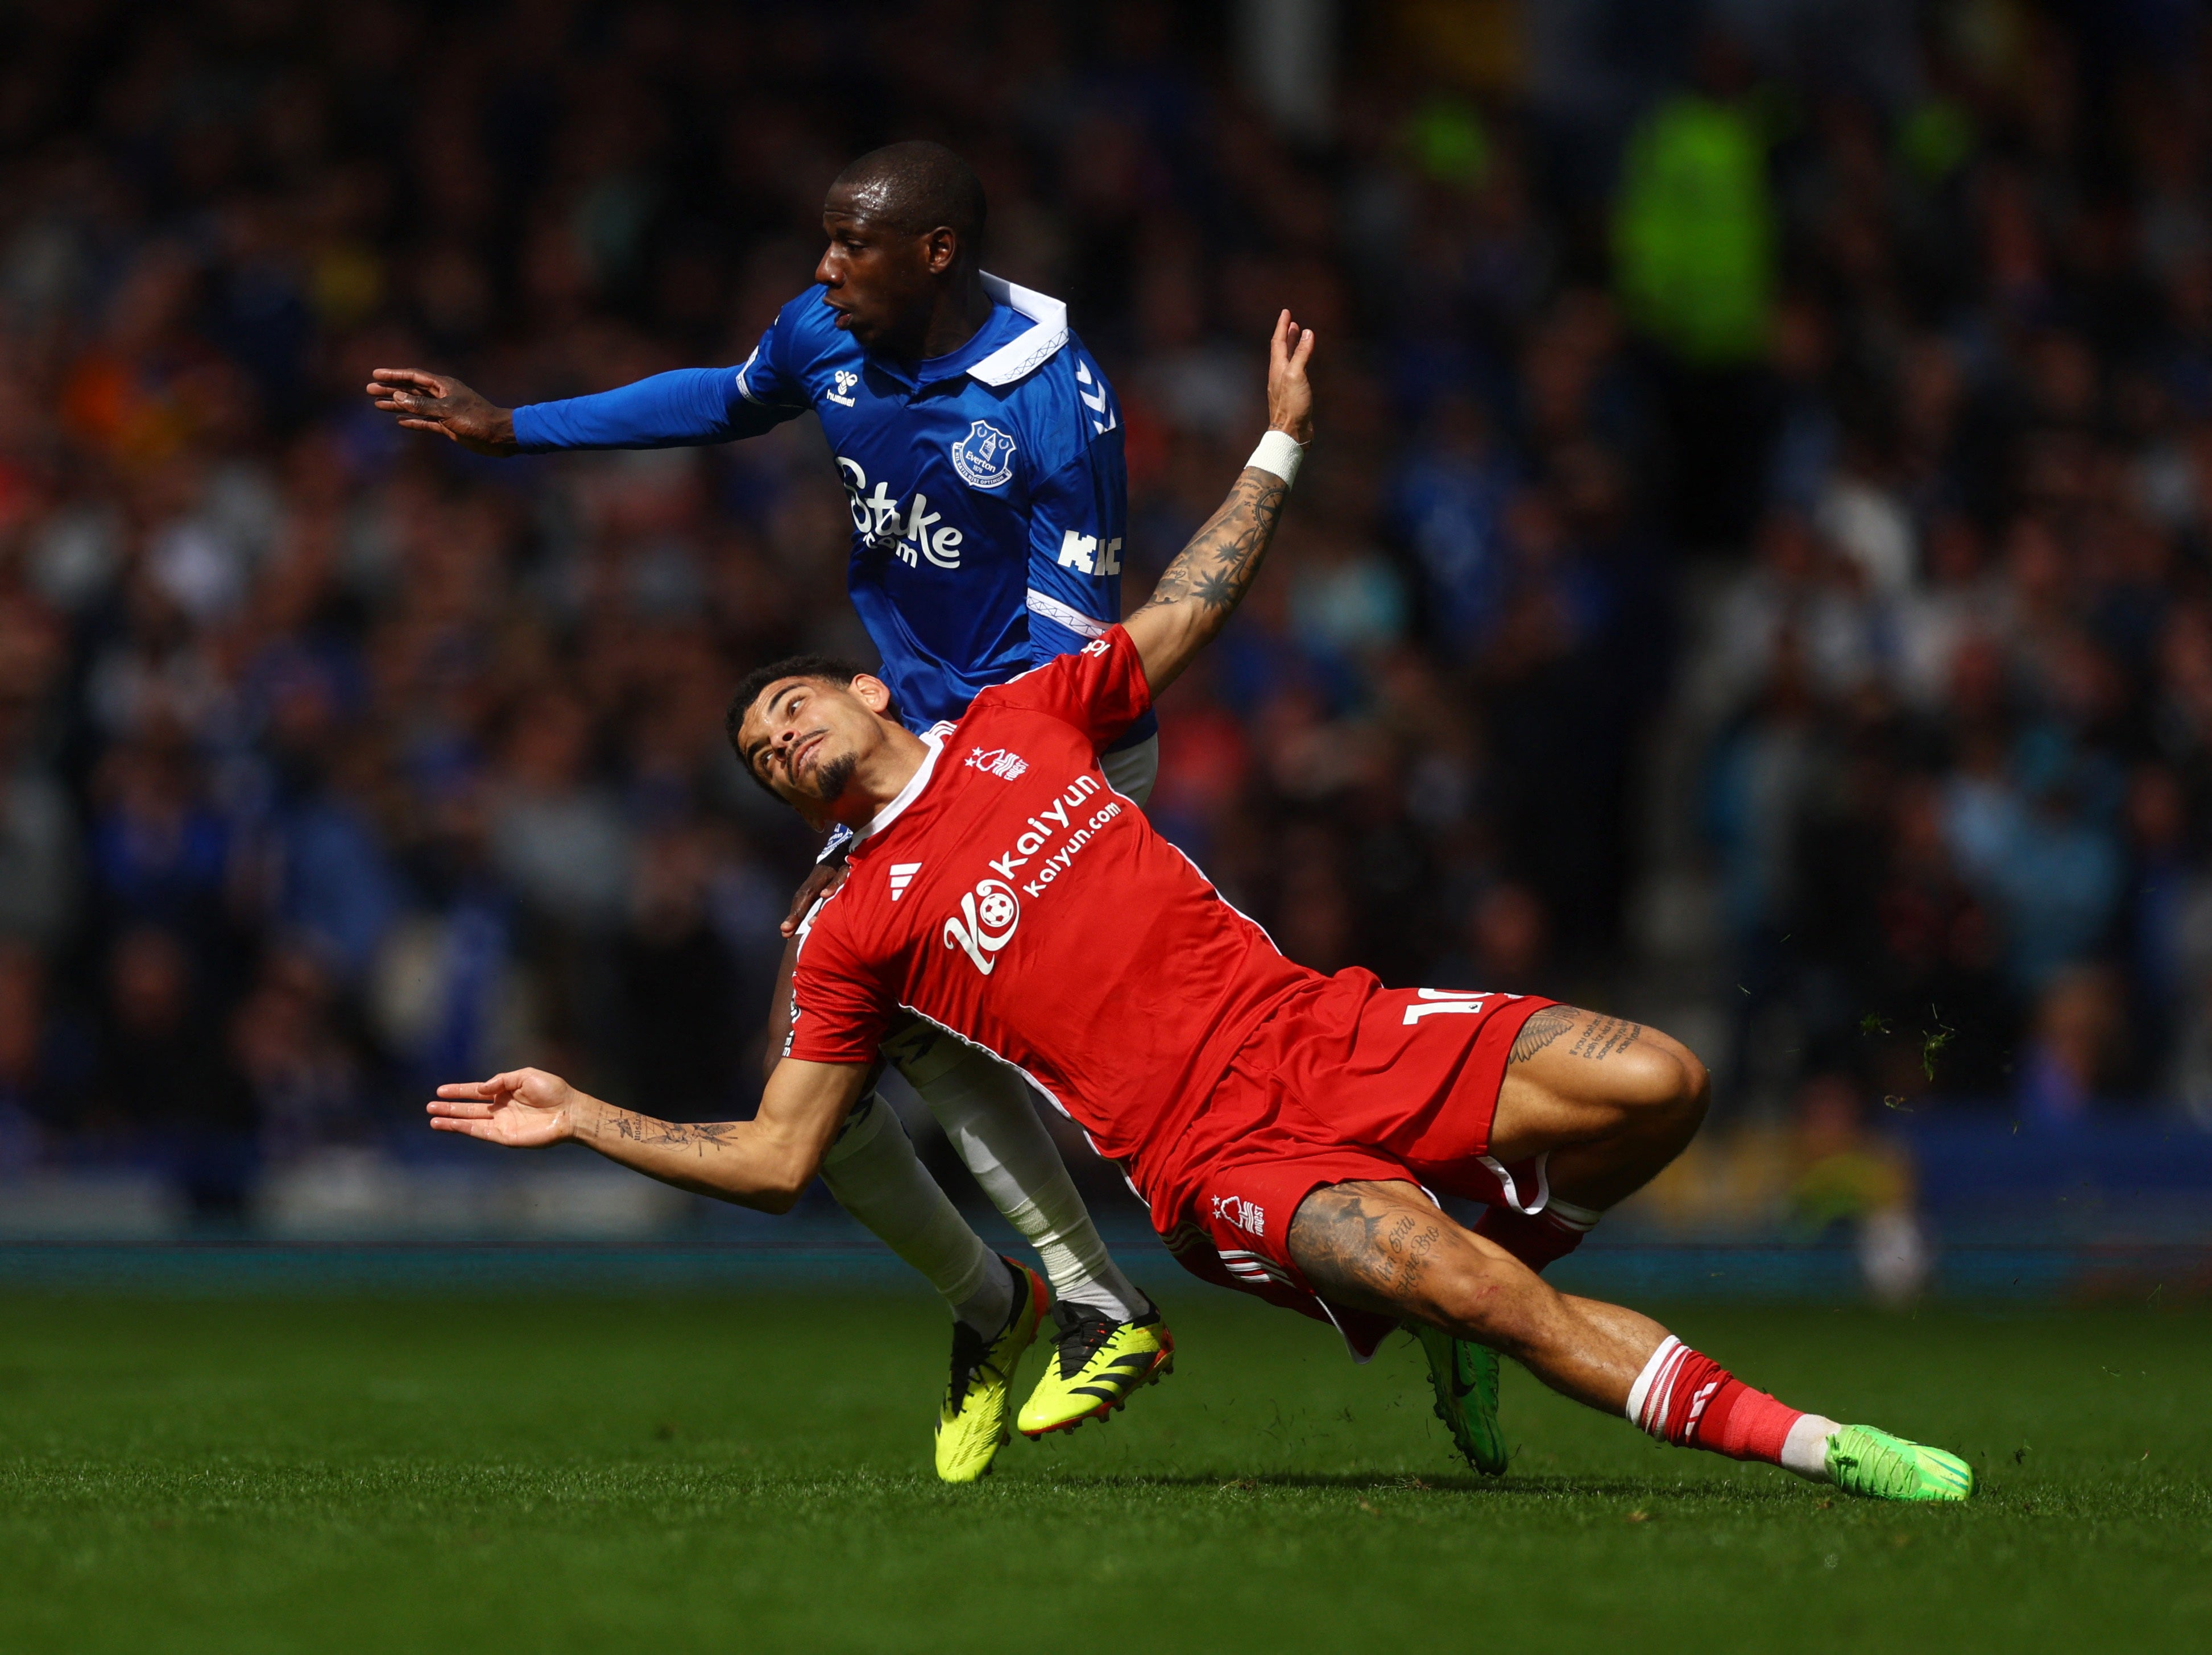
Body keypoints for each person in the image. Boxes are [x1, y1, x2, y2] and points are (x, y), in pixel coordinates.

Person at [428, 316, 1973, 1503]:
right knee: (1473, 1284)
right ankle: (1825, 1445)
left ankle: (1475, 1307)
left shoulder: (1024, 721)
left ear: (853, 683)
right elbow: (778, 1154)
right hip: (1213, 1156)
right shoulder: (849, 922)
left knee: (1664, 1081)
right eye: (759, 758)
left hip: (1318, 1025)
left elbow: (1190, 605)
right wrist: (583, 1112)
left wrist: (1281, 443)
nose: (778, 742)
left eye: (782, 707)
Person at [368, 141, 1167, 1482]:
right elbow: (726, 398)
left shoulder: (1056, 399)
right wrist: (513, 428)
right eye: (823, 242)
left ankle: (1073, 1296)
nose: (821, 269)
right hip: (917, 753)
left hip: (1052, 745)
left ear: (937, 255)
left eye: (852, 248)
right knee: (854, 1049)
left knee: (1017, 1039)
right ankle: (1032, 1302)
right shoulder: (827, 333)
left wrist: (933, 805)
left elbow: (1071, 649)